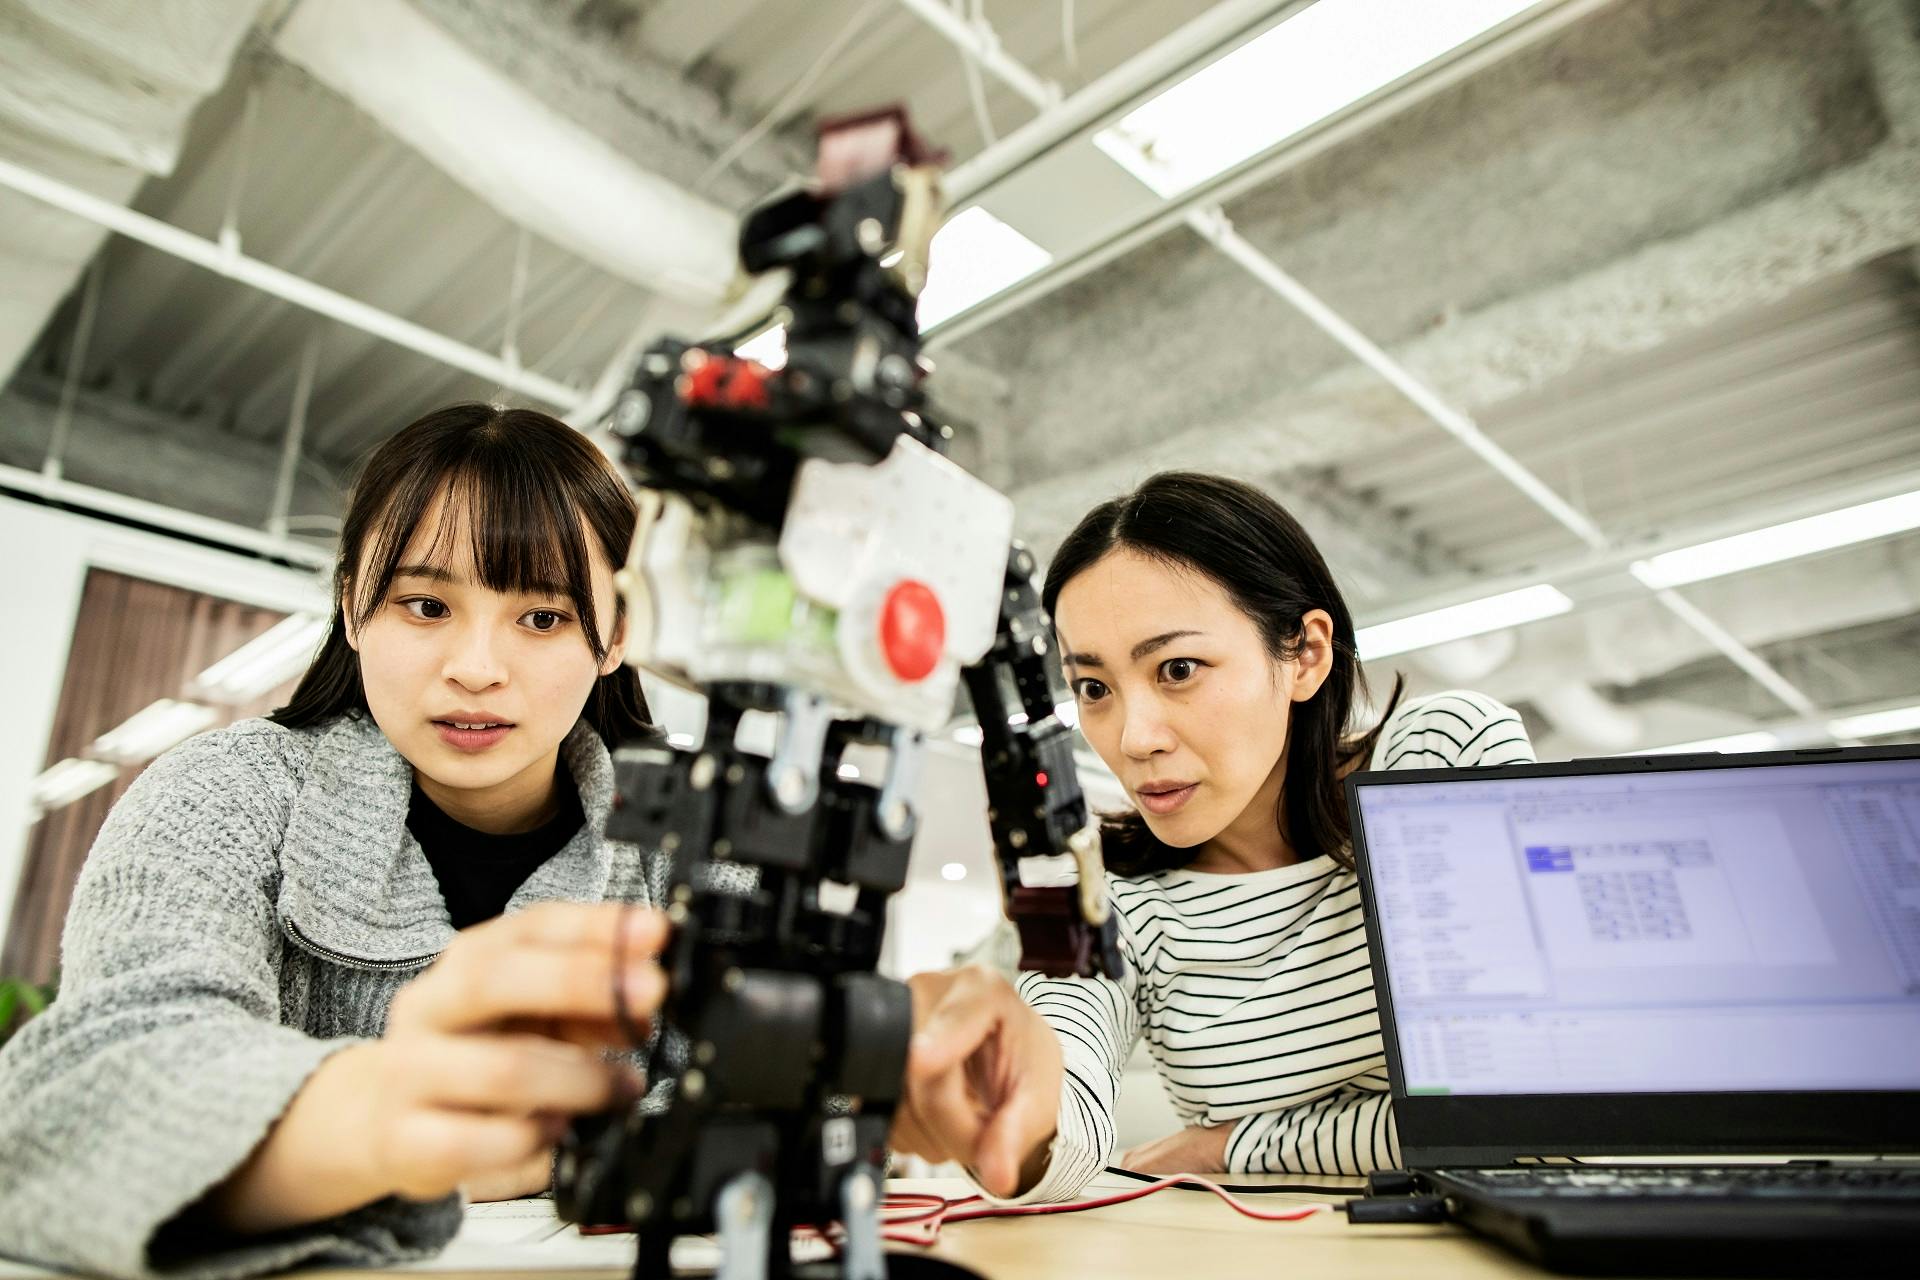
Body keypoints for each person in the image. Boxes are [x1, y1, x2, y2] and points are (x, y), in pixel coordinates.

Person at [0, 402, 1024, 1279]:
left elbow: (751, 1086)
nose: (476, 666)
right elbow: (82, 1094)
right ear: (353, 606)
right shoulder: (224, 791)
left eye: (541, 616)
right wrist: (381, 1119)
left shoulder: (685, 830)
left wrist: (876, 1070)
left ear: (619, 631)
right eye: (425, 603)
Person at [898, 471, 1535, 1202]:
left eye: (1178, 669)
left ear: (1305, 655)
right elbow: (1062, 1126)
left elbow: (1533, 1099)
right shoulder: (1117, 899)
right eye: (1095, 688)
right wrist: (1013, 1100)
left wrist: (1232, 1145)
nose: (1134, 739)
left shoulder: (1437, 756)